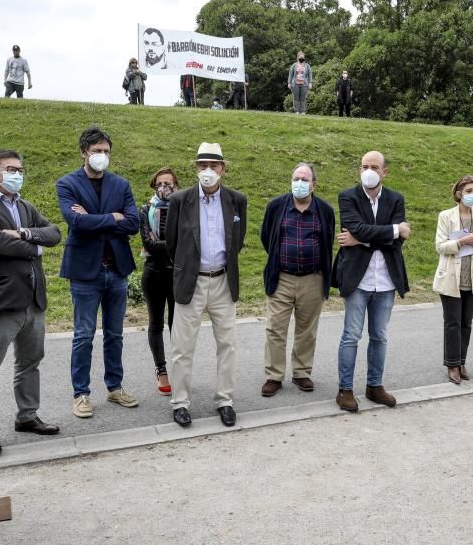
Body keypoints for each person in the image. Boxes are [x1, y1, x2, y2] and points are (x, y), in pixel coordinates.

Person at [0, 149, 62, 455]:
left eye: (20, 169)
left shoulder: (25, 207)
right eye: (11, 169)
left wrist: (23, 233)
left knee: (30, 364)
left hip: (32, 301)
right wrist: (35, 247)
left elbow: (54, 233)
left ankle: (27, 417)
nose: (18, 174)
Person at [56, 127, 141, 418]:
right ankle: (81, 394)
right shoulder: (67, 184)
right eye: (96, 151)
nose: (101, 156)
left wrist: (95, 219)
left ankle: (115, 387)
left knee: (115, 334)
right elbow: (75, 222)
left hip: (116, 270)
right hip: (85, 272)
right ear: (84, 153)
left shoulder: (121, 184)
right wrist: (112, 217)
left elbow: (133, 223)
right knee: (83, 335)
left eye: (106, 151)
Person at [165, 143, 247, 428]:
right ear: (196, 169)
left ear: (223, 169)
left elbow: (238, 240)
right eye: (202, 166)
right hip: (192, 281)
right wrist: (188, 268)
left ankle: (225, 400)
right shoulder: (180, 200)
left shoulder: (237, 200)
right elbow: (172, 244)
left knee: (228, 344)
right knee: (182, 347)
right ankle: (180, 402)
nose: (208, 171)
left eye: (213, 166)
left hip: (223, 281)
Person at [333, 151, 410, 413]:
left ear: (384, 172)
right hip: (358, 279)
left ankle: (374, 386)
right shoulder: (348, 196)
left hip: (386, 280)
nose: (369, 170)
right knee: (351, 336)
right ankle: (345, 389)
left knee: (379, 336)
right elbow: (356, 227)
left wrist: (361, 240)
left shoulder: (396, 198)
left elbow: (397, 241)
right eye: (365, 166)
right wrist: (393, 230)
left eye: (374, 166)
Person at [259, 163, 336, 397]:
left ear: (314, 184)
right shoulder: (276, 206)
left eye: (304, 179)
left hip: (312, 279)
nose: (299, 183)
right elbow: (266, 238)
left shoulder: (324, 210)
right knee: (275, 328)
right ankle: (274, 375)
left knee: (307, 329)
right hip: (281, 277)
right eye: (296, 178)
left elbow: (328, 240)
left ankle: (301, 372)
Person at [433, 175, 473, 383]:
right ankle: (452, 365)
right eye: (468, 191)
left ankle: (462, 361)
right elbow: (440, 246)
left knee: (466, 322)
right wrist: (461, 241)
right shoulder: (446, 216)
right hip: (451, 277)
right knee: (452, 323)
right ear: (458, 194)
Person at [138, 166, 178, 397]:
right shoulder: (146, 209)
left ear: (176, 185)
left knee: (177, 324)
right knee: (156, 323)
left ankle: (180, 369)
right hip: (153, 272)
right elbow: (149, 244)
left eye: (168, 183)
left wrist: (166, 244)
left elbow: (186, 241)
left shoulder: (182, 208)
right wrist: (172, 245)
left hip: (177, 273)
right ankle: (161, 370)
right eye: (159, 184)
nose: (164, 188)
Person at [287, 50, 313, 115]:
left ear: (304, 58)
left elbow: (310, 74)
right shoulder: (294, 65)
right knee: (296, 98)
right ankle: (296, 111)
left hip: (304, 84)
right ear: (298, 57)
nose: (301, 58)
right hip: (295, 84)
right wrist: (289, 83)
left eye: (303, 57)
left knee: (303, 98)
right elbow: (290, 74)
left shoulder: (307, 65)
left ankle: (303, 111)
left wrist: (310, 83)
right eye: (300, 56)